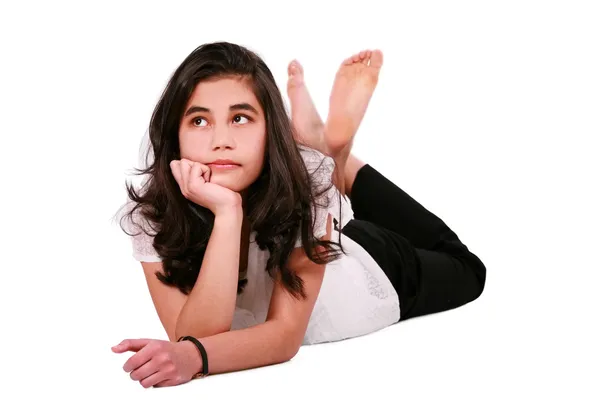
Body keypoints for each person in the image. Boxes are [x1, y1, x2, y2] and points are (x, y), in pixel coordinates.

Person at [112, 42, 486, 388]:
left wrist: (193, 356)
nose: (220, 140)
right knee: (316, 183)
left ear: (270, 131)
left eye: (240, 118)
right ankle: (329, 156)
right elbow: (195, 336)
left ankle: (339, 161)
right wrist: (228, 213)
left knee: (467, 268)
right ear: (174, 136)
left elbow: (284, 335)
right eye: (199, 121)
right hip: (320, 227)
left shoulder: (307, 194)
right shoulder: (151, 215)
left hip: (368, 266)